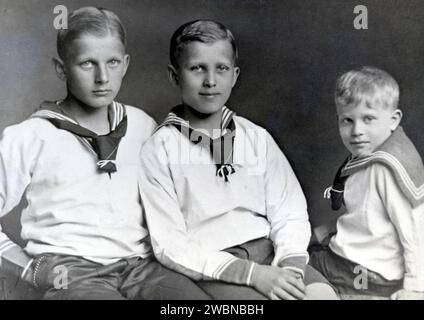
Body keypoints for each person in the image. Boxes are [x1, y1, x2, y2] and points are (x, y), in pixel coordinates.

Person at [0, 7, 210, 300]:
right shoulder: (31, 135)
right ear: (62, 69)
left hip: (142, 267)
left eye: (112, 62)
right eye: (87, 64)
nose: (102, 77)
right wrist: (27, 270)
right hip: (71, 270)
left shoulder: (142, 124)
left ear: (125, 64)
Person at [139, 19, 338, 300]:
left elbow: (289, 209)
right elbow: (170, 245)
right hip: (215, 265)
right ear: (175, 76)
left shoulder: (256, 137)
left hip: (270, 252)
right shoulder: (160, 149)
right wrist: (252, 275)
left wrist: (290, 267)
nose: (210, 81)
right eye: (197, 68)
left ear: (234, 75)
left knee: (322, 297)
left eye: (221, 69)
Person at [310, 66, 424, 299]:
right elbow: (364, 214)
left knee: (291, 267)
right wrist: (322, 233)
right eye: (347, 120)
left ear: (394, 120)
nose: (357, 131)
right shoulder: (370, 154)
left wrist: (415, 288)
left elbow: (415, 229)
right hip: (364, 262)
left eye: (368, 119)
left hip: (361, 269)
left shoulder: (385, 167)